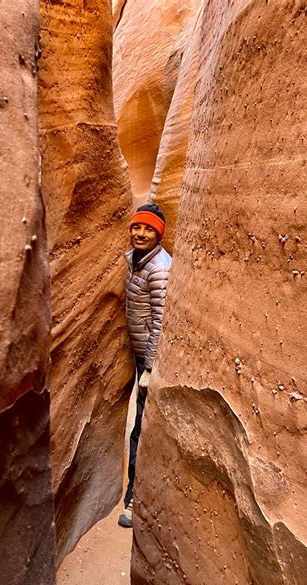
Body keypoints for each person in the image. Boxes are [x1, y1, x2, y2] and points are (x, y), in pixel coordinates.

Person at [118, 203, 171, 528]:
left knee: (142, 428)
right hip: (138, 354)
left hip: (150, 360)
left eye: (148, 229)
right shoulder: (137, 261)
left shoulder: (159, 269)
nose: (141, 233)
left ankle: (134, 501)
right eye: (138, 227)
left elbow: (160, 321)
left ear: (158, 234)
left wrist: (149, 368)